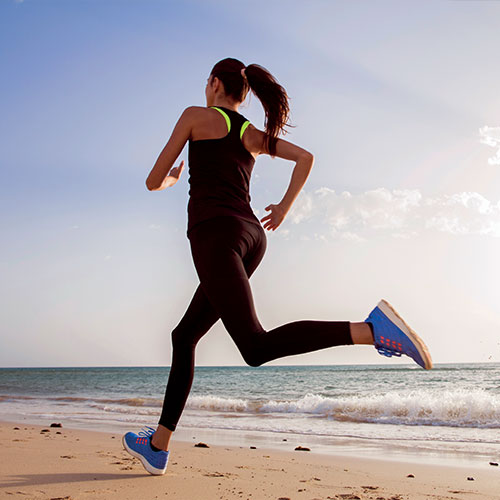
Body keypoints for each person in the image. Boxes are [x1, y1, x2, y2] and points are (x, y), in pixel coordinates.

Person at [122, 58, 433, 476]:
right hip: (252, 238)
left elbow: (152, 179)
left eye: (207, 83)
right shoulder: (248, 133)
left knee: (255, 347)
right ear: (243, 93)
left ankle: (372, 330)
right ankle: (157, 446)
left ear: (215, 84)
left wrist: (173, 180)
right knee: (184, 335)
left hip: (216, 236)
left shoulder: (196, 116)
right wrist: (284, 207)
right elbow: (305, 157)